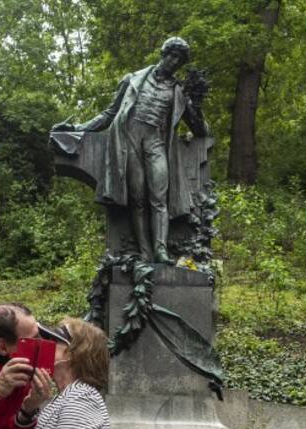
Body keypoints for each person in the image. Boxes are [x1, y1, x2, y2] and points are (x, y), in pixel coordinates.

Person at [51, 36, 208, 263]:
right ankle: (145, 251)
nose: (175, 62)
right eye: (173, 56)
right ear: (164, 53)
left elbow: (200, 130)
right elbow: (110, 114)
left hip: (155, 143)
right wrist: (78, 128)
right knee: (137, 198)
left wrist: (197, 105)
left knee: (159, 197)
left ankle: (161, 250)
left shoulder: (178, 91)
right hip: (130, 141)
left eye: (180, 60)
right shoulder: (133, 79)